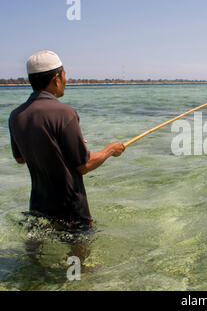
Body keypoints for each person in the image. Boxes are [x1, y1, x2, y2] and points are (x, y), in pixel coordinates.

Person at [9, 50, 125, 230]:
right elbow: (84, 166)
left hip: (38, 206)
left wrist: (58, 146)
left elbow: (20, 159)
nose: (66, 81)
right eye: (64, 75)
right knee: (80, 255)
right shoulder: (65, 113)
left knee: (36, 255)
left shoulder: (16, 115)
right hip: (70, 210)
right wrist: (110, 149)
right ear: (57, 78)